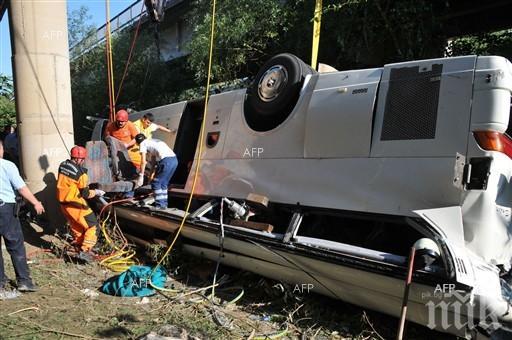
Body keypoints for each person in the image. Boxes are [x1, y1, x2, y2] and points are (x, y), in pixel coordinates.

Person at [0, 140, 45, 293]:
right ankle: (24, 281)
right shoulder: (7, 165)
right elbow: (21, 188)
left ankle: (1, 282)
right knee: (15, 244)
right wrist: (36, 202)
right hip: (5, 208)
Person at [56, 146, 105, 262]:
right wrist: (96, 192)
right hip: (75, 204)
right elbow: (86, 194)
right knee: (93, 225)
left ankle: (78, 246)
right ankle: (85, 251)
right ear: (79, 159)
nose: (83, 162)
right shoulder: (81, 173)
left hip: (63, 204)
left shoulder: (62, 165)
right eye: (83, 159)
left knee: (77, 226)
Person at [135, 134, 178, 209]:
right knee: (163, 183)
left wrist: (141, 176)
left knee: (156, 183)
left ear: (137, 143)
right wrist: (150, 176)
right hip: (174, 160)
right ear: (146, 137)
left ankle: (160, 206)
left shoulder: (142, 144)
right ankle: (164, 205)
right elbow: (153, 162)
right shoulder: (152, 141)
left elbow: (143, 162)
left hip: (166, 161)